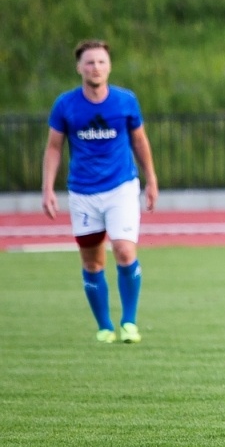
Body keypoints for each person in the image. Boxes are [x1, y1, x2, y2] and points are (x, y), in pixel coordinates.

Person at [41, 41, 158, 344]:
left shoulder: (125, 101)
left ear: (109, 67)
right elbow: (54, 147)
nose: (96, 68)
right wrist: (48, 187)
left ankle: (129, 322)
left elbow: (140, 140)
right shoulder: (66, 105)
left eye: (101, 62)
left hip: (121, 187)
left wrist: (152, 179)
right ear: (79, 67)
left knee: (123, 249)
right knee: (92, 262)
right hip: (82, 192)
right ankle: (105, 327)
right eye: (90, 63)